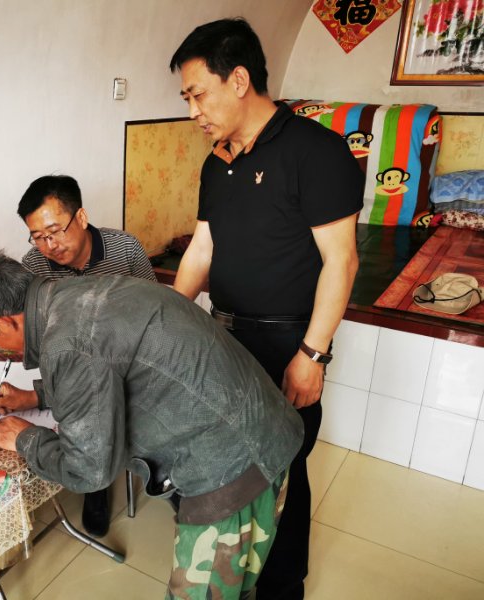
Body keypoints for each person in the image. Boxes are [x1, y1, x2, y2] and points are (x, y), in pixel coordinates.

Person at [0, 250, 304, 600]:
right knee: (241, 582)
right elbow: (111, 363)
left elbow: (89, 470)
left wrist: (26, 438)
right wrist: (36, 396)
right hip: (263, 426)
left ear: (3, 323)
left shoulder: (67, 343)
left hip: (230, 466)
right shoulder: (77, 294)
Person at [169, 18, 363, 600]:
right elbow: (203, 249)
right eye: (186, 99)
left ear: (238, 80)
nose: (193, 111)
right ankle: (237, 575)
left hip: (287, 342)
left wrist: (312, 355)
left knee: (282, 470)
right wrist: (166, 320)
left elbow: (341, 262)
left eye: (197, 94)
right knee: (226, 464)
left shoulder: (315, 151)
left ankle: (282, 588)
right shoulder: (216, 163)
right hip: (224, 337)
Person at [9, 174, 157, 537]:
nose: (49, 245)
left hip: (129, 360)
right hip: (75, 367)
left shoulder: (124, 249)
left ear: (81, 217)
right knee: (78, 408)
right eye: (38, 236)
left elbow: (154, 310)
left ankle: (97, 478)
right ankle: (93, 481)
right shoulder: (34, 265)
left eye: (55, 231)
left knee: (103, 412)